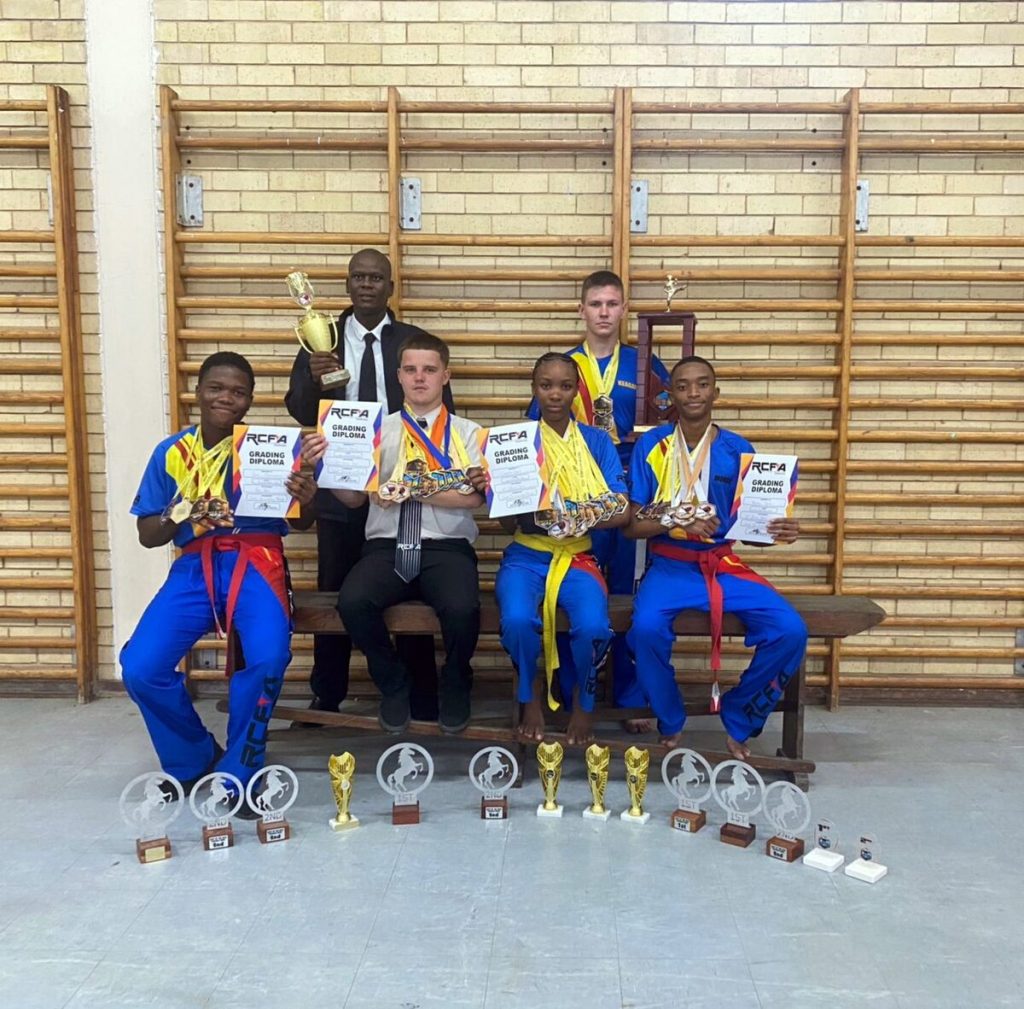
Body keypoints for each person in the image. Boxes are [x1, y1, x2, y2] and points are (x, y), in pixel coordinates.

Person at [120, 352, 316, 799]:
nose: (226, 397)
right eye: (216, 388)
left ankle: (241, 771)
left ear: (248, 400)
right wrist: (181, 509)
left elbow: (302, 523)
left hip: (257, 561)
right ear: (198, 392)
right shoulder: (171, 453)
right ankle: (192, 758)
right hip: (194, 566)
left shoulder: (267, 450)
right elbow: (149, 535)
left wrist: (307, 497)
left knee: (268, 658)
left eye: (238, 391)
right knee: (140, 666)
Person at [285, 248, 454, 721]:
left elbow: (444, 408)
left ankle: (420, 694)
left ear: (390, 287)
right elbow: (299, 408)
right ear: (346, 285)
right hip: (341, 481)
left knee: (409, 580)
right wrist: (316, 380)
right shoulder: (320, 339)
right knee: (337, 587)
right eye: (357, 277)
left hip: (402, 485)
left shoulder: (412, 341)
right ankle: (328, 692)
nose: (366, 285)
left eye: (375, 278)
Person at [303, 333, 486, 734]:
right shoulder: (374, 432)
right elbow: (353, 500)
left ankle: (456, 681)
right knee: (353, 603)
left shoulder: (470, 434)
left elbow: (473, 500)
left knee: (462, 609)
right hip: (387, 546)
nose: (420, 378)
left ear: (446, 376)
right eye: (411, 370)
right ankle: (393, 682)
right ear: (399, 376)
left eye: (430, 370)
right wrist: (327, 467)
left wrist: (412, 487)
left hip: (447, 547)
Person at [625, 355, 806, 758]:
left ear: (716, 393)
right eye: (684, 385)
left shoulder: (739, 450)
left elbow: (751, 530)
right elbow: (632, 524)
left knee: (791, 630)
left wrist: (780, 532)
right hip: (670, 565)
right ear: (669, 394)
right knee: (644, 631)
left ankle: (740, 714)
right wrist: (676, 520)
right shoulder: (652, 446)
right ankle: (669, 717)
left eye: (702, 384)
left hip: (723, 565)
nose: (693, 392)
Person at [528, 270, 669, 725]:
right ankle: (570, 691)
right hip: (572, 506)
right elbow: (536, 436)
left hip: (625, 501)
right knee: (573, 593)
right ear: (582, 310)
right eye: (596, 304)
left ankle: (629, 697)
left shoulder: (643, 363)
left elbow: (669, 431)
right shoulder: (561, 367)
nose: (604, 312)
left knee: (627, 597)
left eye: (612, 304)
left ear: (624, 309)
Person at [498, 353, 629, 746]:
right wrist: (501, 491)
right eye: (545, 385)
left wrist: (581, 517)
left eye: (565, 386)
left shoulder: (597, 441)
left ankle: (583, 702)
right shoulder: (515, 442)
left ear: (576, 391)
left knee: (592, 627)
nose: (555, 394)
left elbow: (621, 510)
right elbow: (505, 523)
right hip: (526, 555)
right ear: (533, 388)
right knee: (519, 620)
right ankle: (531, 696)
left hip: (578, 555)